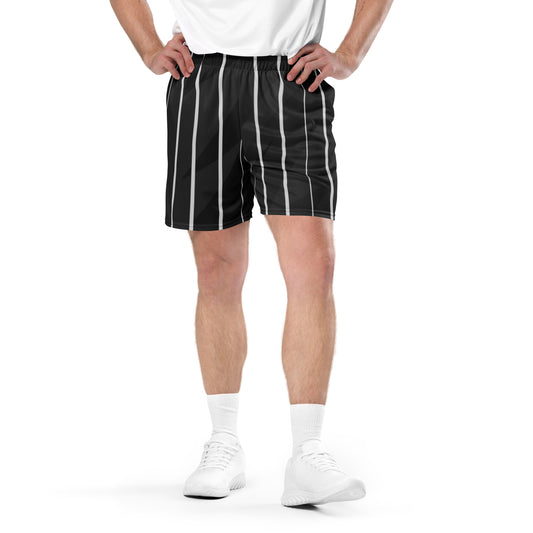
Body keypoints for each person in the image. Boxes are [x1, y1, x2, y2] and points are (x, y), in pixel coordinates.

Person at [109, 0, 394, 507]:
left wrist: (350, 53)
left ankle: (307, 453)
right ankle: (223, 443)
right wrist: (150, 48)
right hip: (202, 78)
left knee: (315, 265)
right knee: (215, 271)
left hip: (292, 78)